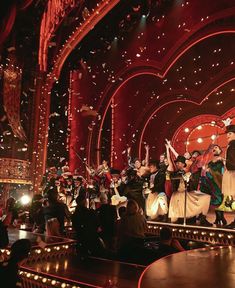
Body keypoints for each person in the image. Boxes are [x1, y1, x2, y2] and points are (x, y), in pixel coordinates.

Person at [72, 193, 103, 258]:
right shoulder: (90, 212)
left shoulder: (75, 215)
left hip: (80, 237)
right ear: (84, 202)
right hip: (91, 237)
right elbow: (97, 224)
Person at [219, 124, 235, 228]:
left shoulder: (233, 145)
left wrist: (224, 161)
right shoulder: (231, 145)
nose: (227, 135)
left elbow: (233, 163)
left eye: (230, 133)